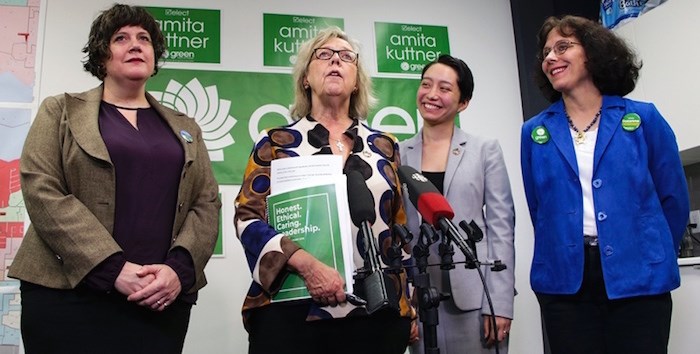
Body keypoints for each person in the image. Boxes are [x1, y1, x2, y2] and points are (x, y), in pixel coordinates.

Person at [8, 4, 221, 354]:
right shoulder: (59, 110)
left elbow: (206, 202)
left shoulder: (186, 126)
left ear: (155, 55)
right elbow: (41, 187)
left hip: (158, 301)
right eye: (121, 38)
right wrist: (111, 268)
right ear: (101, 56)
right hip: (66, 298)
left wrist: (179, 271)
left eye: (144, 39)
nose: (135, 45)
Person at [234, 26, 416, 354]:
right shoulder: (274, 142)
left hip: (377, 313)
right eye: (324, 55)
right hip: (294, 311)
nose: (335, 61)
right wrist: (308, 265)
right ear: (305, 77)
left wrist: (409, 299)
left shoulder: (385, 146)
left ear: (357, 79)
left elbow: (398, 228)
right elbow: (248, 219)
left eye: (346, 57)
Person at [521, 15, 689, 354]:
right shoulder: (533, 132)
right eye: (546, 52)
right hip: (566, 286)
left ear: (593, 52)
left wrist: (652, 255)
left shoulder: (644, 118)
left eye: (563, 46)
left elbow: (674, 200)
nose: (551, 57)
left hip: (640, 280)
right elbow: (539, 208)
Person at [400, 54, 516, 354]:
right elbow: (396, 230)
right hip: (421, 301)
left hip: (477, 300)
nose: (432, 94)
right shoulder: (397, 154)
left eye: (445, 88)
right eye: (426, 84)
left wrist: (500, 302)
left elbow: (502, 227)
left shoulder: (484, 150)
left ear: (463, 102)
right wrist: (403, 302)